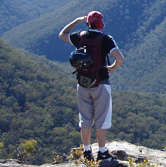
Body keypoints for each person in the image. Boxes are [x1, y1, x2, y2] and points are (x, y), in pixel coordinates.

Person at [59, 11, 124, 162]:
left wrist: (76, 20)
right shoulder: (106, 39)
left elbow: (62, 34)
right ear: (101, 24)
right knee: (101, 119)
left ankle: (87, 151)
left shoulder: (80, 36)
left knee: (85, 119)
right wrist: (112, 67)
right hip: (101, 83)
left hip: (82, 84)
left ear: (87, 23)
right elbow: (120, 59)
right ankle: (102, 152)